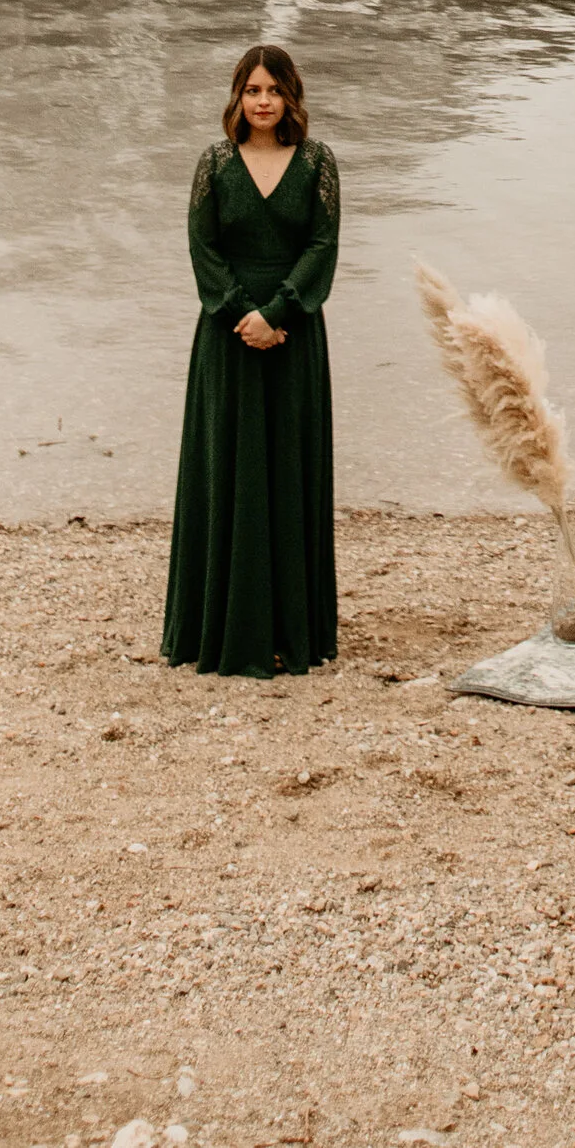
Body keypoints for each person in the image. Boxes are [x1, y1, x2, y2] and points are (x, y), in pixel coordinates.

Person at [163, 42, 341, 680]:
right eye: (253, 91)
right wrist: (244, 313)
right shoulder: (214, 163)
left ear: (291, 97)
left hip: (293, 337)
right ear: (238, 98)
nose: (263, 102)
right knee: (226, 473)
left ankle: (293, 633)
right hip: (227, 335)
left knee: (288, 473)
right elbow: (202, 247)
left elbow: (323, 244)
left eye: (274, 91)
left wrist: (281, 312)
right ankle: (221, 633)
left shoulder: (318, 161)